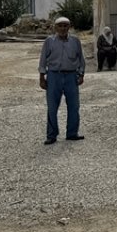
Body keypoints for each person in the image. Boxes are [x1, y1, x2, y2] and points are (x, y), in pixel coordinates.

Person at [39, 16, 85, 145]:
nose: (63, 28)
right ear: (55, 27)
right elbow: (43, 59)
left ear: (69, 27)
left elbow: (81, 59)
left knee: (74, 106)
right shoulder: (49, 41)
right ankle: (51, 135)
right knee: (52, 107)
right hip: (54, 76)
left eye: (65, 26)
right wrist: (42, 77)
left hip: (71, 76)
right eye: (60, 26)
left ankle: (72, 133)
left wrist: (81, 74)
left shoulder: (75, 41)